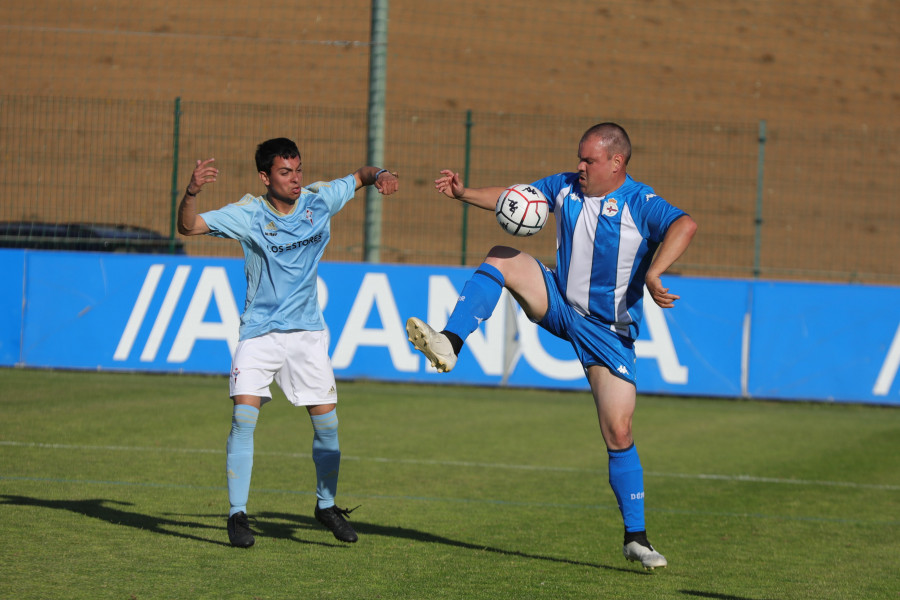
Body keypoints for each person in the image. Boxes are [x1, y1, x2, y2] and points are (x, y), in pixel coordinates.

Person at [406, 123, 696, 570]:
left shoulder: (639, 202)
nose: (579, 167)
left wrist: (656, 272)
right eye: (579, 158)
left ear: (617, 163)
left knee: (618, 432)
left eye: (589, 160)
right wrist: (464, 194)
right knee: (502, 255)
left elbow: (684, 224)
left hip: (608, 334)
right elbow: (513, 197)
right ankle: (450, 342)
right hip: (560, 301)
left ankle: (635, 538)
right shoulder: (565, 188)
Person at [177, 137, 399, 548]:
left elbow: (361, 176)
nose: (295, 179)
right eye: (285, 172)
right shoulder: (247, 215)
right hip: (259, 333)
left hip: (307, 335)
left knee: (327, 426)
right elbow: (188, 226)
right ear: (265, 177)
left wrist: (381, 175)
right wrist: (191, 192)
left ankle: (326, 506)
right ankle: (237, 515)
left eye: (298, 170)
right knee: (244, 418)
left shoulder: (319, 200)